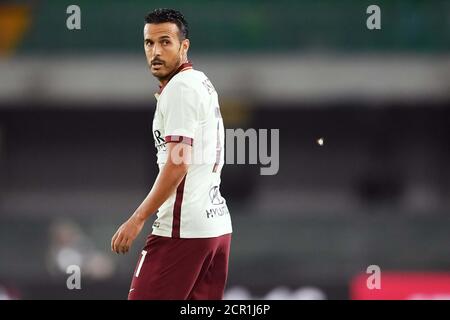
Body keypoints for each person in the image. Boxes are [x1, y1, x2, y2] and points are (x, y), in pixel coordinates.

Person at [111, 8, 232, 300]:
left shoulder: (180, 89)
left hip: (182, 228)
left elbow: (178, 165)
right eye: (149, 43)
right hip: (216, 226)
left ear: (184, 46)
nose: (155, 51)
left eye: (165, 42)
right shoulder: (199, 81)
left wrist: (137, 218)